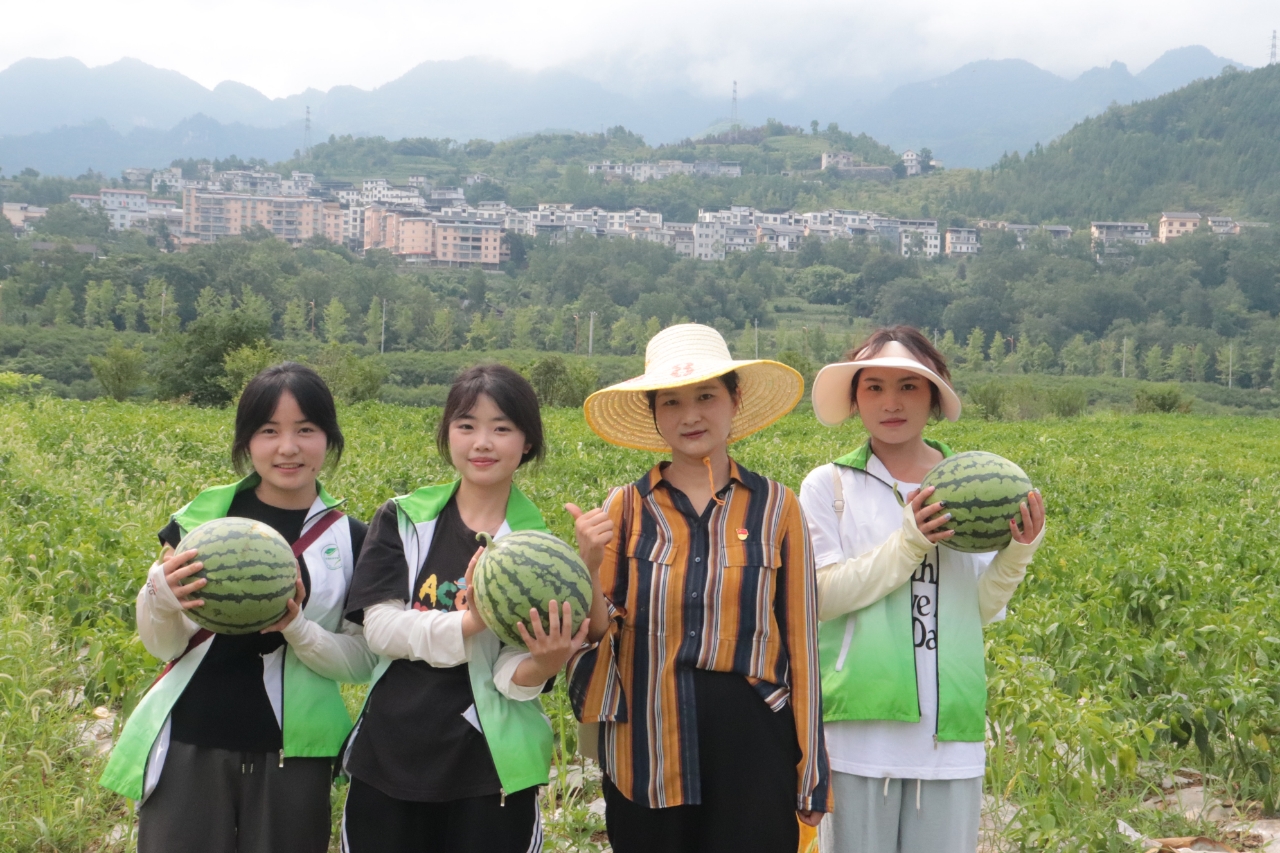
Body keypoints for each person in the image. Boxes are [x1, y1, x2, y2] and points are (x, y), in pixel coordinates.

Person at [567, 323, 831, 853]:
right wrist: (587, 565)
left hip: (752, 743)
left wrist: (811, 768)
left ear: (734, 401)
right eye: (672, 402)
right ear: (655, 414)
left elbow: (800, 643)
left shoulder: (778, 508)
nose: (690, 415)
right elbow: (599, 632)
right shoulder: (624, 508)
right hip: (647, 740)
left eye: (706, 396)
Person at [100, 362, 376, 853]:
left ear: (328, 440)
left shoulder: (353, 540)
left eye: (305, 430)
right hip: (191, 738)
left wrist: (297, 626)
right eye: (269, 431)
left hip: (296, 753)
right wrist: (160, 591)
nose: (287, 447)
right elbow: (161, 645)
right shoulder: (200, 524)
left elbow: (360, 661)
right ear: (247, 441)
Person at [798, 326, 1046, 853]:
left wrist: (1019, 550)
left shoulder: (974, 481)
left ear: (933, 397)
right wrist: (910, 541)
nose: (892, 402)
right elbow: (820, 597)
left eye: (909, 386)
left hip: (948, 736)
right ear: (854, 399)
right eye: (874, 388)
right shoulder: (830, 485)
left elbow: (975, 608)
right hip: (857, 733)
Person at [340, 364, 587, 853]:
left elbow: (510, 673)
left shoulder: (537, 547)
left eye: (502, 428)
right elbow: (381, 629)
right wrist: (472, 621)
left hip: (489, 770)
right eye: (467, 425)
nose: (482, 442)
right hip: (392, 752)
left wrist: (544, 663)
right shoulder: (404, 518)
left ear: (527, 442)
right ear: (447, 434)